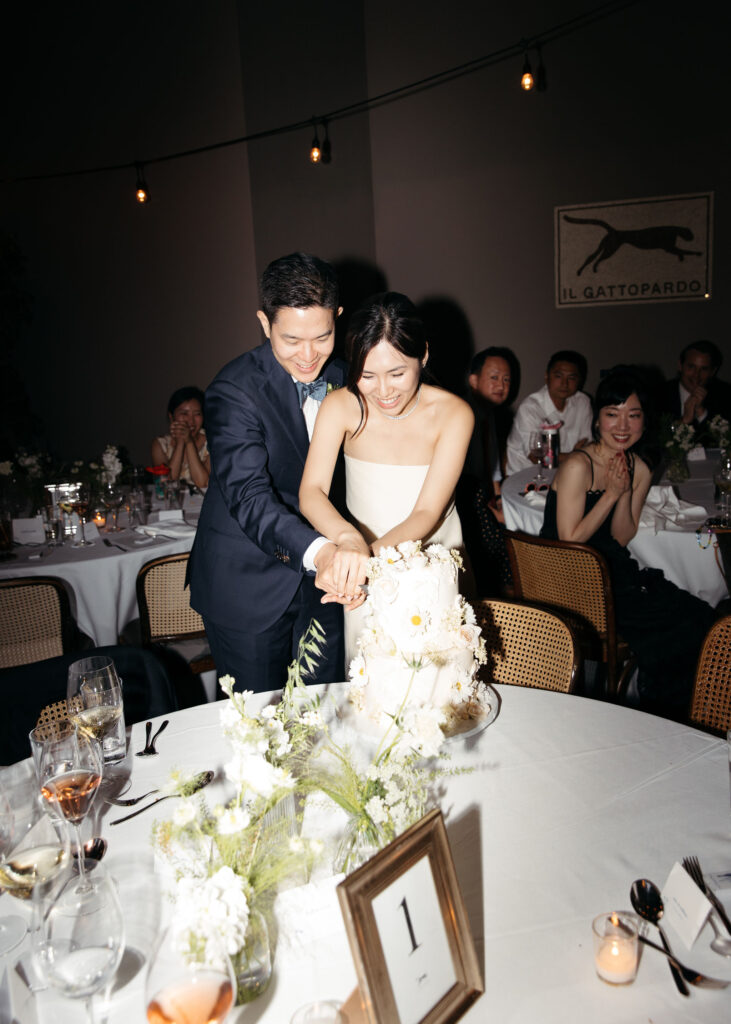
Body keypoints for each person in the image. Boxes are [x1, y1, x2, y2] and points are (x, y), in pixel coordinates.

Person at [188, 253, 348, 691]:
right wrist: (324, 553)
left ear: (336, 317)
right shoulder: (233, 390)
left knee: (325, 715)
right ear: (265, 323)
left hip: (324, 585)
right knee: (259, 731)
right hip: (246, 585)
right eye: (291, 340)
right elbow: (249, 496)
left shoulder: (347, 376)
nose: (308, 355)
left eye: (322, 336)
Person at [299, 292, 474, 662]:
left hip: (430, 567)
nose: (383, 391)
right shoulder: (340, 407)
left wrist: (363, 564)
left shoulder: (453, 414)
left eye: (397, 373)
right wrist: (349, 545)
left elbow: (426, 513)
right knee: (372, 688)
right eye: (366, 375)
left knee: (441, 695)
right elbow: (311, 491)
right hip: (365, 571)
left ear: (423, 355)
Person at [540, 368, 716, 719]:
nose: (622, 426)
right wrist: (611, 493)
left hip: (614, 572)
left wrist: (623, 493)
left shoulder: (640, 467)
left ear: (644, 421)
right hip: (570, 577)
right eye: (612, 415)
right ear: (597, 421)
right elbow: (569, 540)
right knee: (676, 631)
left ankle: (667, 706)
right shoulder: (579, 465)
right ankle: (651, 708)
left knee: (705, 621)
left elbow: (621, 535)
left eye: (633, 415)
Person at [457, 347, 518, 596]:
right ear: (474, 380)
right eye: (494, 377)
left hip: (481, 496)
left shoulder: (489, 413)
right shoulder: (464, 412)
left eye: (506, 380)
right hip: (465, 500)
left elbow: (491, 465)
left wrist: (498, 495)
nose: (501, 385)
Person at [505, 350, 592, 475]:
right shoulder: (530, 407)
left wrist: (574, 456)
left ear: (579, 380)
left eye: (571, 378)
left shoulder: (583, 402)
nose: (564, 383)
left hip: (566, 472)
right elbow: (536, 456)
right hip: (527, 476)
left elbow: (587, 446)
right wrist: (575, 455)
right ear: (547, 376)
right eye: (558, 376)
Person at [658, 340, 731, 440]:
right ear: (680, 365)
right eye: (691, 367)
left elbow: (725, 440)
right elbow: (655, 438)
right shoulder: (659, 393)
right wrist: (684, 421)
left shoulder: (724, 395)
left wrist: (702, 414)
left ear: (712, 372)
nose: (696, 375)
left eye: (704, 369)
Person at [151, 386, 210, 490]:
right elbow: (167, 483)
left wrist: (189, 442)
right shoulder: (160, 444)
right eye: (184, 413)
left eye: (197, 414)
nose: (191, 421)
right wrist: (181, 442)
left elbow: (203, 483)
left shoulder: (212, 442)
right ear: (171, 416)